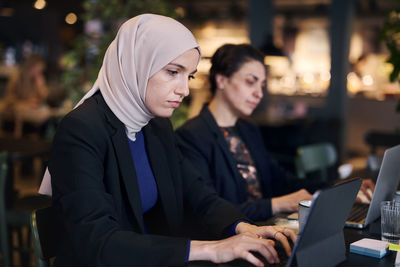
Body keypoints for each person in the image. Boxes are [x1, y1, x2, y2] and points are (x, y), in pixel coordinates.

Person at [38, 15, 297, 267]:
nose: (183, 89)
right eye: (173, 72)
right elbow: (97, 242)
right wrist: (212, 249)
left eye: (189, 76)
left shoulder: (155, 125)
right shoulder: (81, 129)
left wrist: (242, 227)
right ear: (136, 64)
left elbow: (197, 193)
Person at [176, 43, 375, 222]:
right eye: (250, 82)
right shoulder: (191, 136)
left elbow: (281, 181)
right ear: (221, 80)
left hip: (266, 229)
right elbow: (208, 213)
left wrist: (339, 188)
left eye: (262, 85)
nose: (259, 93)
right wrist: (277, 204)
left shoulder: (248, 129)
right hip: (228, 242)